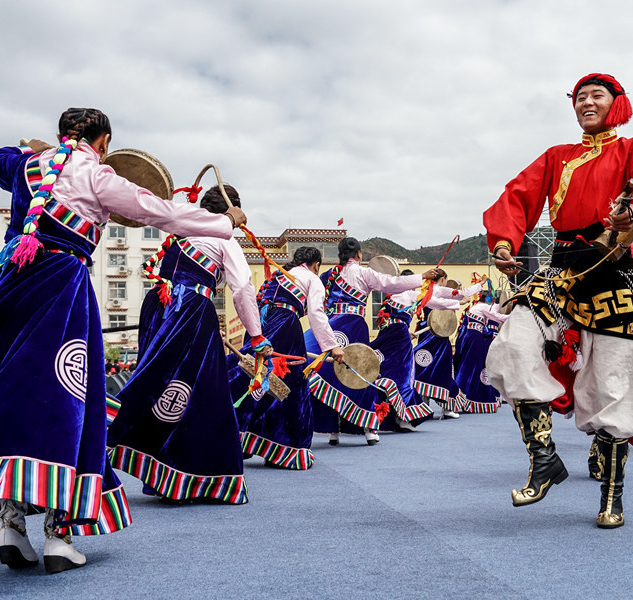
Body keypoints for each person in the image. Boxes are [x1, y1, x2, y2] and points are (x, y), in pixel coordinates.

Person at [0, 108, 246, 573]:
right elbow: (159, 211)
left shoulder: (26, 167)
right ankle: (58, 535)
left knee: (16, 395)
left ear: (62, 135)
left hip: (3, 288)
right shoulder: (98, 175)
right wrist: (225, 223)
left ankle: (11, 522)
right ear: (105, 140)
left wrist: (30, 148)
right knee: (70, 400)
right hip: (57, 285)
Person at [483, 73, 633, 528]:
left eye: (596, 95)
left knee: (613, 383)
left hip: (611, 274)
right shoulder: (557, 156)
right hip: (561, 268)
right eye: (580, 97)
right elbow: (516, 196)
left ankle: (612, 495)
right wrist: (504, 243)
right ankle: (544, 459)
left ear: (616, 103)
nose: (586, 102)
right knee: (512, 344)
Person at [106, 185, 264, 503]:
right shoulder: (223, 238)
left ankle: (169, 474)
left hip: (160, 306)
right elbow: (243, 289)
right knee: (206, 393)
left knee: (160, 385)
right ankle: (97, 431)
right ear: (230, 213)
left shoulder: (182, 229)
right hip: (191, 307)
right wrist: (257, 336)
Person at [305, 238, 437, 446]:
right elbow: (391, 284)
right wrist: (422, 277)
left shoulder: (328, 275)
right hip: (353, 326)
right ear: (358, 255)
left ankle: (333, 430)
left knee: (326, 372)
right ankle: (368, 428)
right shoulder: (363, 273)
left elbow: (313, 304)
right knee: (360, 375)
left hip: (330, 328)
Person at [228, 246, 345, 469]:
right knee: (292, 387)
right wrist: (332, 346)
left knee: (254, 381)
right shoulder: (312, 278)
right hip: (284, 325)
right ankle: (287, 448)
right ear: (316, 264)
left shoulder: (280, 275)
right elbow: (316, 313)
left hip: (260, 327)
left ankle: (237, 439)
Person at [370, 270, 436, 433]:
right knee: (404, 376)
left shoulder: (389, 297)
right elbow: (438, 302)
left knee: (381, 372)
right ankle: (404, 418)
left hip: (386, 334)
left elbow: (393, 321)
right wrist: (461, 296)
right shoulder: (412, 295)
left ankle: (374, 415)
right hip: (400, 337)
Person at [412, 274, 482, 419]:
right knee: (443, 370)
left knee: (423, 368)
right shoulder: (437, 291)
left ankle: (424, 406)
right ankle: (447, 408)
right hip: (437, 335)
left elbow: (461, 294)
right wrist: (475, 289)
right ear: (443, 279)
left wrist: (476, 287)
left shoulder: (427, 290)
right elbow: (460, 295)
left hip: (427, 333)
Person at [454, 284, 508, 414]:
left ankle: (464, 398)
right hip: (475, 338)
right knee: (474, 367)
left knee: (469, 367)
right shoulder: (483, 307)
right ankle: (470, 398)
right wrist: (516, 316)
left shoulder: (477, 306)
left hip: (470, 337)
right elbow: (498, 317)